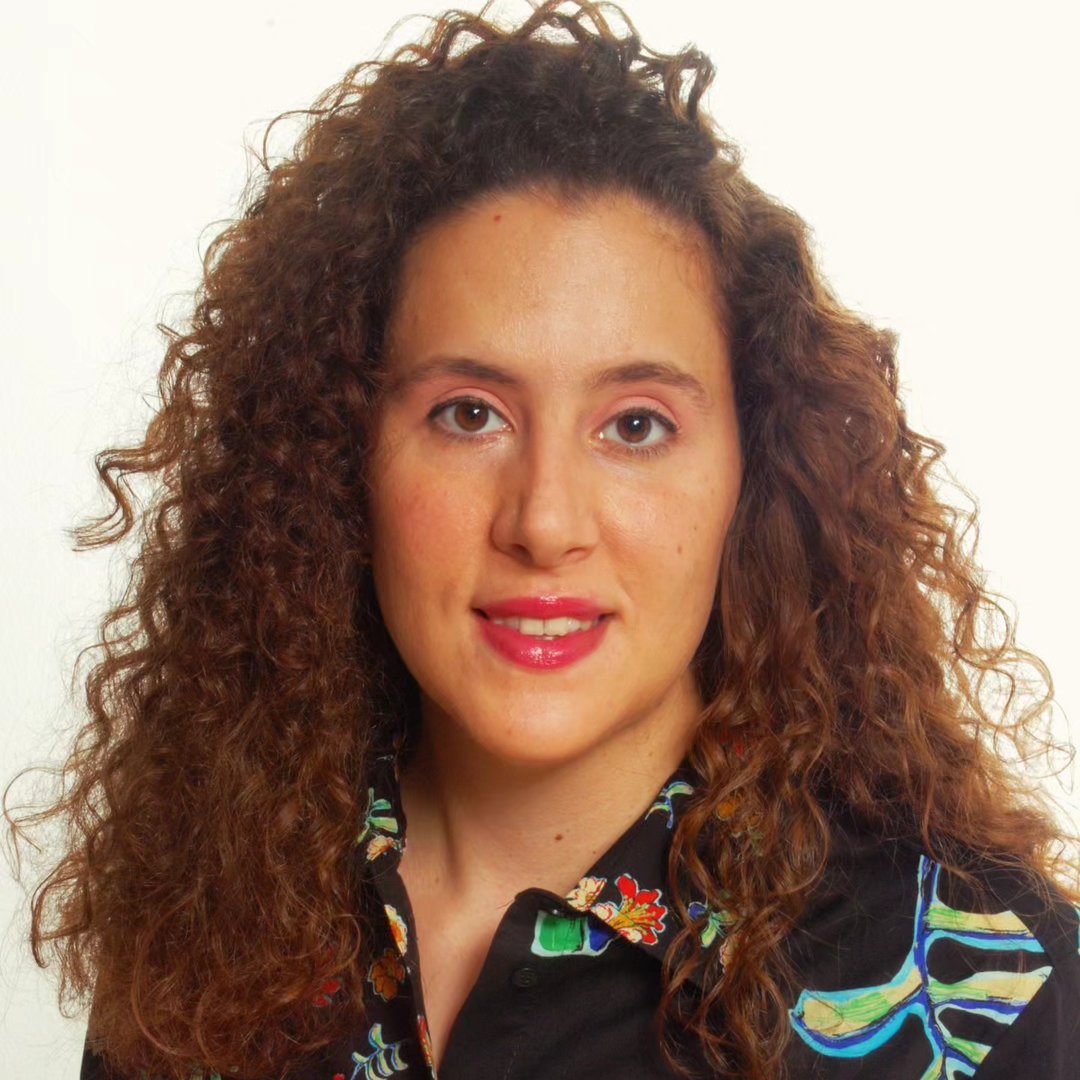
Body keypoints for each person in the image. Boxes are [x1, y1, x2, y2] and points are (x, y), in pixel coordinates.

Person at [8, 0, 1079, 1077]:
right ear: (339, 456)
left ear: (751, 472)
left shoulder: (988, 997)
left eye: (636, 427)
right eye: (469, 414)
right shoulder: (211, 920)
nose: (546, 522)